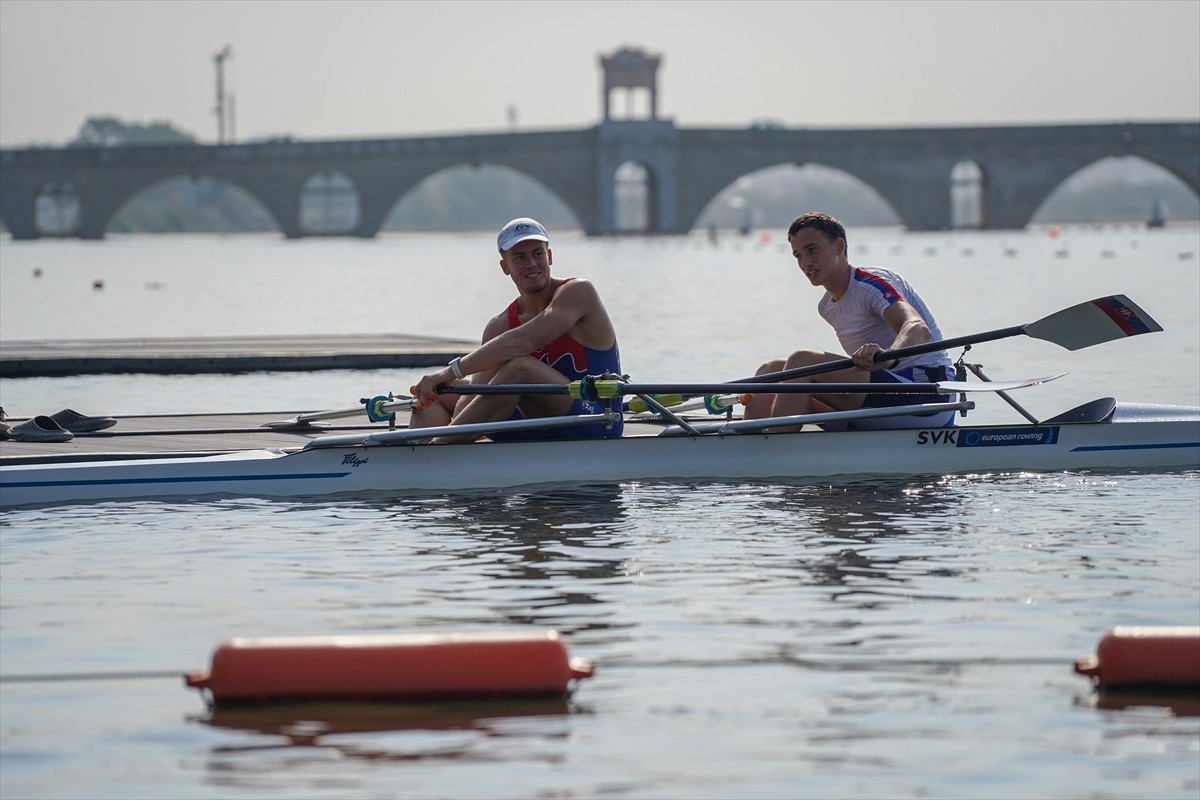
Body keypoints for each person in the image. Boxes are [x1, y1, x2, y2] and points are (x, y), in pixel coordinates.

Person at [408, 217, 623, 443]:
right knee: (435, 394)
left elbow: (525, 341)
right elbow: (471, 399)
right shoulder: (498, 325)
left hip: (597, 419)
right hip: (536, 422)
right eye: (520, 257)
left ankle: (439, 448)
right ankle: (417, 458)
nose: (531, 263)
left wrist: (450, 371)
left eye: (538, 253)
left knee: (521, 368)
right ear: (505, 267)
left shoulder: (578, 292)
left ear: (549, 257)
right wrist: (441, 388)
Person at [743, 211, 955, 430]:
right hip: (884, 397)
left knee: (802, 360)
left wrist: (889, 356)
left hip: (928, 396)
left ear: (839, 246)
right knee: (770, 372)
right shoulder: (826, 306)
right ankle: (745, 447)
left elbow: (917, 327)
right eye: (797, 255)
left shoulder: (872, 284)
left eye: (812, 250)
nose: (805, 262)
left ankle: (773, 453)